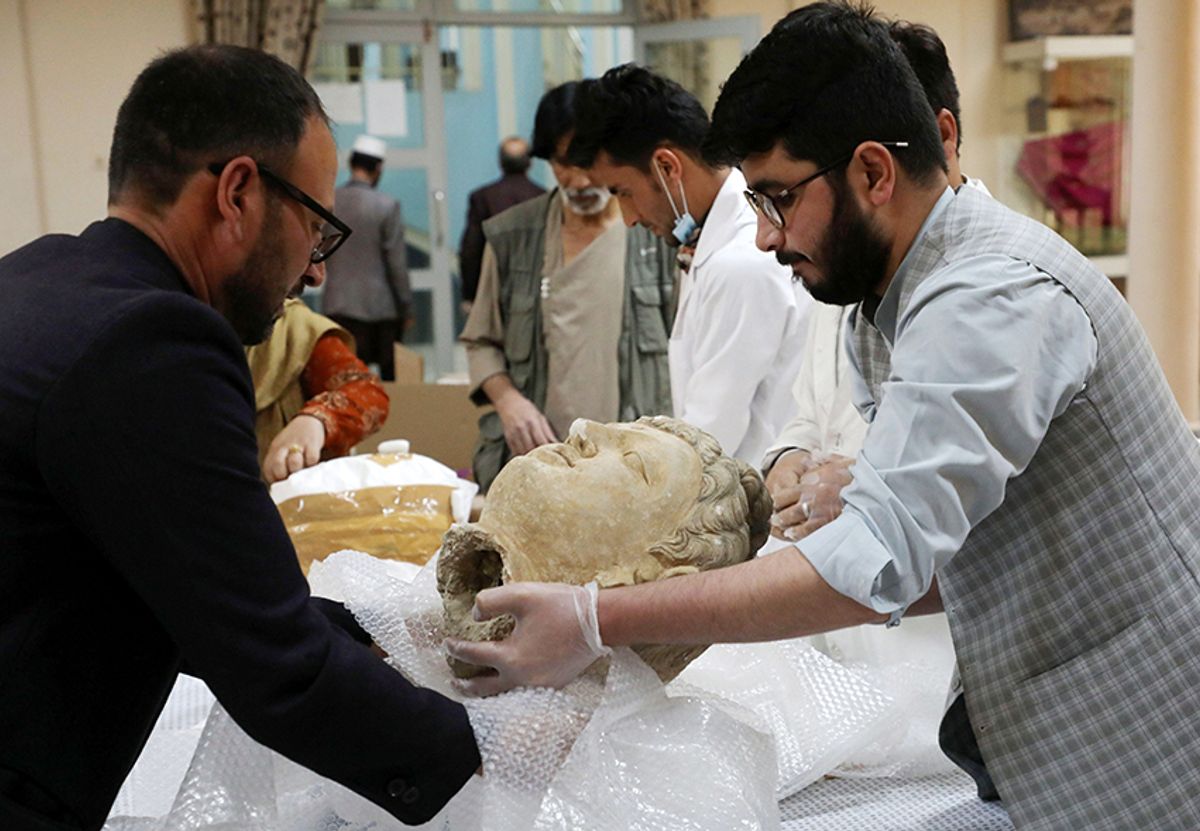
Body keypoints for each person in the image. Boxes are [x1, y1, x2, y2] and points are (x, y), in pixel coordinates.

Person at [445, 4, 1200, 829]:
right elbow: (922, 550)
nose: (765, 239)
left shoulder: (990, 297)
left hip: (1143, 738)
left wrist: (597, 618)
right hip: (1039, 721)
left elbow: (873, 561)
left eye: (776, 200)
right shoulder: (886, 298)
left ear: (874, 172)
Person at [0, 45, 478, 829]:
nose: (315, 272)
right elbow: (278, 668)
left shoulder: (35, 276)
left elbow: (193, 581)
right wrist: (494, 746)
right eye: (317, 228)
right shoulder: (155, 342)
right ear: (238, 193)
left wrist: (389, 633)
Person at [565, 64, 809, 467]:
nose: (628, 218)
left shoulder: (741, 262)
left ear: (667, 167)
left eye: (623, 192)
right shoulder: (709, 242)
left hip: (755, 488)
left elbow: (708, 436)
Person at [460, 82, 677, 493]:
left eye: (586, 162)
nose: (577, 180)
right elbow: (480, 341)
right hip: (541, 467)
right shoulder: (514, 236)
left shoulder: (656, 234)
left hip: (637, 470)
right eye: (562, 164)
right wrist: (508, 401)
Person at [247, 297, 389, 484]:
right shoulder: (207, 330)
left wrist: (317, 419)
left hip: (280, 494)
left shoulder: (295, 329)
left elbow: (366, 391)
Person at [322, 134, 411, 381]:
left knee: (344, 380)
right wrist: (406, 307)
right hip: (381, 308)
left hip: (338, 304)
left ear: (351, 163)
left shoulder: (330, 202)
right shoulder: (387, 205)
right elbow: (396, 262)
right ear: (378, 168)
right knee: (391, 382)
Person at [458, 136, 546, 311]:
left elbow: (471, 249)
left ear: (500, 162)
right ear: (530, 162)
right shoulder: (544, 197)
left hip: (494, 288)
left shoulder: (483, 197)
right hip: (536, 289)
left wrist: (471, 294)